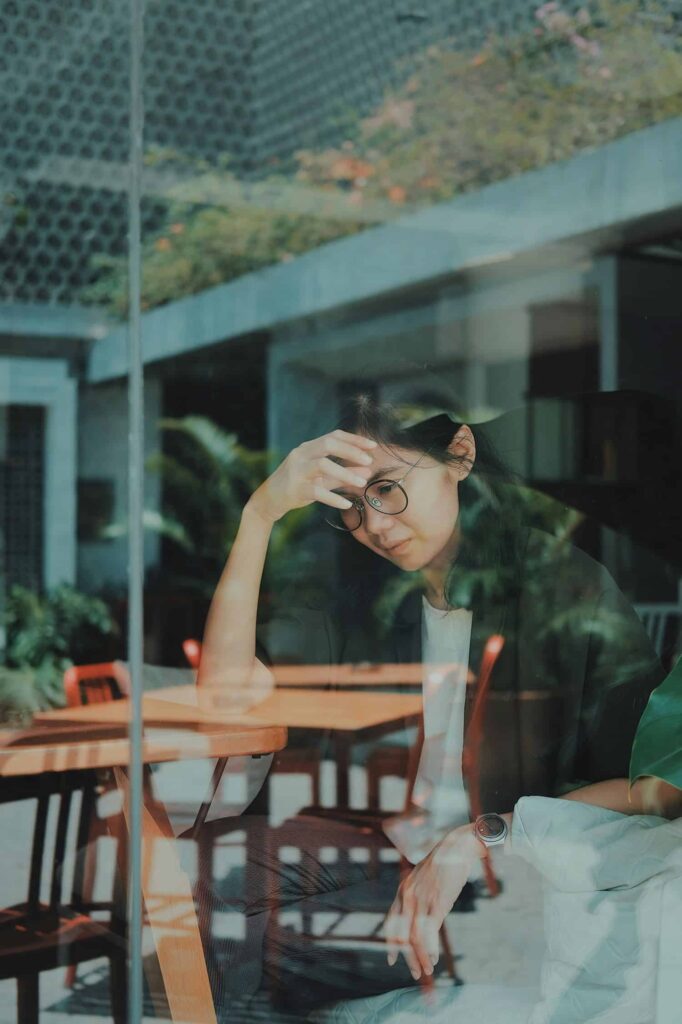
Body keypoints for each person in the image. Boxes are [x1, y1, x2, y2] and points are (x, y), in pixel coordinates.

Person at [194, 393, 673, 1019]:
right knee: (192, 869)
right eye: (354, 509)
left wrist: (481, 839)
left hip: (505, 879)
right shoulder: (371, 600)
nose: (377, 526)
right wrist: (259, 514)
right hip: (392, 847)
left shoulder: (565, 590)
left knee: (256, 947)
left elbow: (654, 788)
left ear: (461, 455)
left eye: (389, 489)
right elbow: (225, 696)